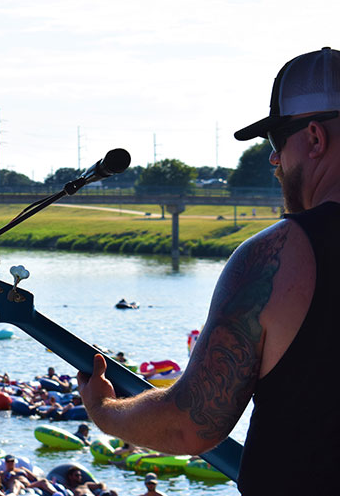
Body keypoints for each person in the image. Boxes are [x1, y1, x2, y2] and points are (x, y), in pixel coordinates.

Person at [77, 47, 340, 493]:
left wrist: (105, 411)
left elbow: (191, 424)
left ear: (314, 138)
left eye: (276, 143)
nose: (274, 162)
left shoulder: (279, 255)